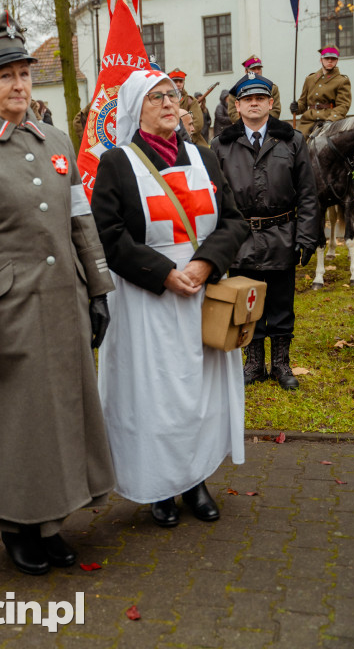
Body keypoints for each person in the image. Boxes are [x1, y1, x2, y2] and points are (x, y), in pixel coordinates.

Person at [0, 11, 115, 577]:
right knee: (16, 424)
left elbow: (79, 217)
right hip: (5, 312)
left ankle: (54, 519)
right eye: (4, 75)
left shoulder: (56, 140)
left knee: (59, 418)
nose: (18, 85)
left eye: (24, 74)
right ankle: (17, 525)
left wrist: (98, 288)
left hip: (61, 302)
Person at [91, 69, 249, 528]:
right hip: (147, 298)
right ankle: (158, 485)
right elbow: (108, 234)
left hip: (203, 292)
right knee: (155, 393)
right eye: (156, 96)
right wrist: (163, 273)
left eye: (172, 95)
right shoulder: (117, 162)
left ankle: (194, 480)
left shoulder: (204, 156)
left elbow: (234, 221)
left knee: (200, 391)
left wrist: (204, 264)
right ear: (135, 107)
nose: (168, 103)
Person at [212, 73, 319, 390]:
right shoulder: (222, 145)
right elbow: (214, 196)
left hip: (282, 233)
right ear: (238, 105)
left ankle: (282, 364)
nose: (254, 103)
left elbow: (308, 193)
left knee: (282, 304)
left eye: (260, 98)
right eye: (247, 99)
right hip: (240, 237)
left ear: (271, 103)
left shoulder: (292, 140)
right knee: (247, 303)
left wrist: (307, 236)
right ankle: (254, 363)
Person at [290, 47, 351, 138]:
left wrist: (331, 119)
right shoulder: (310, 79)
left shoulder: (342, 81)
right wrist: (296, 107)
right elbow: (303, 103)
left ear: (337, 60)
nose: (330, 61)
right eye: (326, 58)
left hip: (330, 120)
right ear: (321, 60)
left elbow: (343, 105)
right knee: (297, 143)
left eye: (333, 59)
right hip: (308, 121)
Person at [228, 55, 281, 123]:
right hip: (243, 129)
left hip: (268, 127)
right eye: (253, 69)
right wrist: (249, 123)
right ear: (246, 71)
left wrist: (260, 122)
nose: (257, 71)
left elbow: (275, 111)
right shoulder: (237, 90)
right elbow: (233, 113)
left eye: (259, 68)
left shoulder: (272, 88)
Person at [168, 68, 205, 144]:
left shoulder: (191, 101)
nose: (178, 84)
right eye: (175, 81)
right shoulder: (165, 101)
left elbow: (197, 123)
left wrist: (183, 137)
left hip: (191, 141)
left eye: (180, 81)